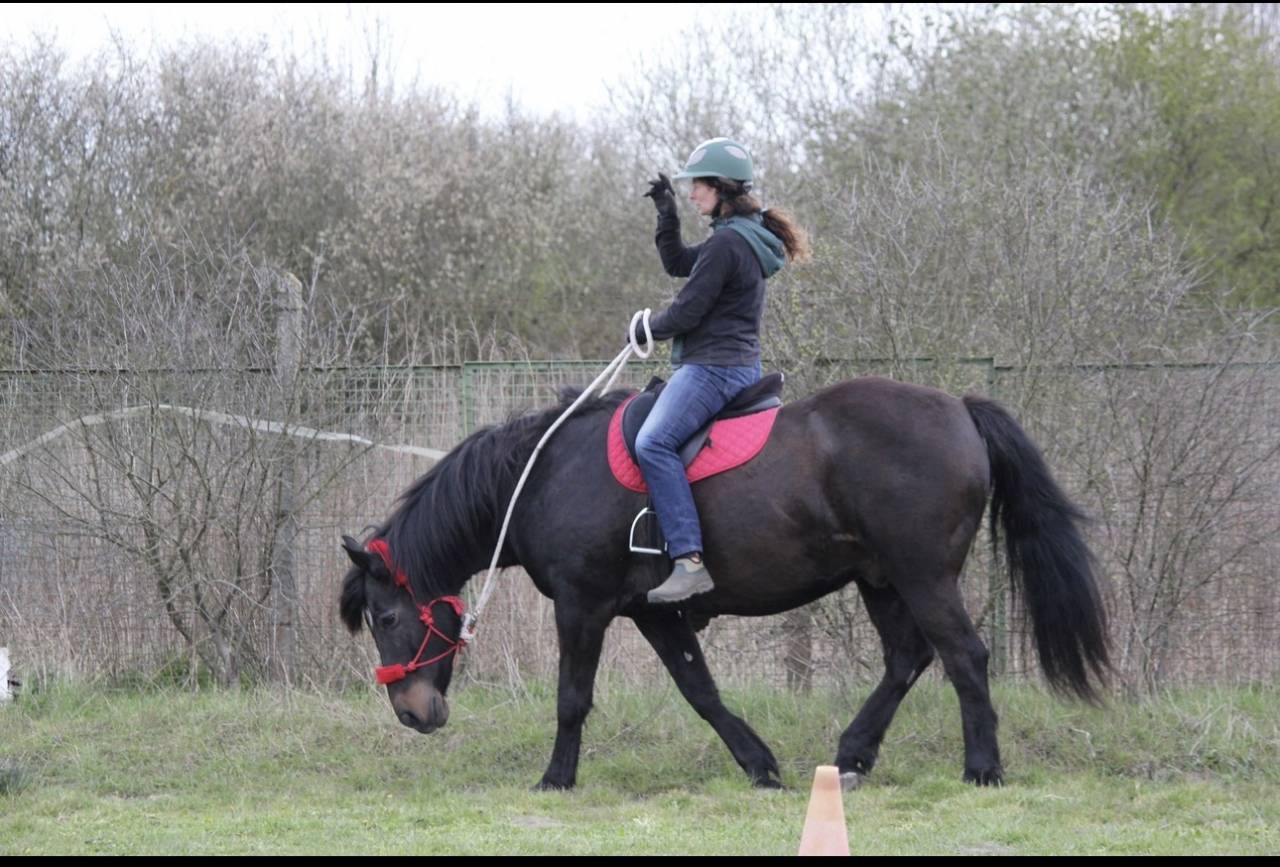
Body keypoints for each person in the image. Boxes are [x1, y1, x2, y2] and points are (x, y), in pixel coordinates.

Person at [635, 137, 810, 604]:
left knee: (652, 442)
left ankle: (688, 561)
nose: (692, 194)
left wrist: (646, 327)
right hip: (738, 365)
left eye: (697, 187)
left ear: (720, 188)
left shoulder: (729, 244)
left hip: (713, 368)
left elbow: (686, 313)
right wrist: (666, 213)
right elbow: (679, 265)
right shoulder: (740, 239)